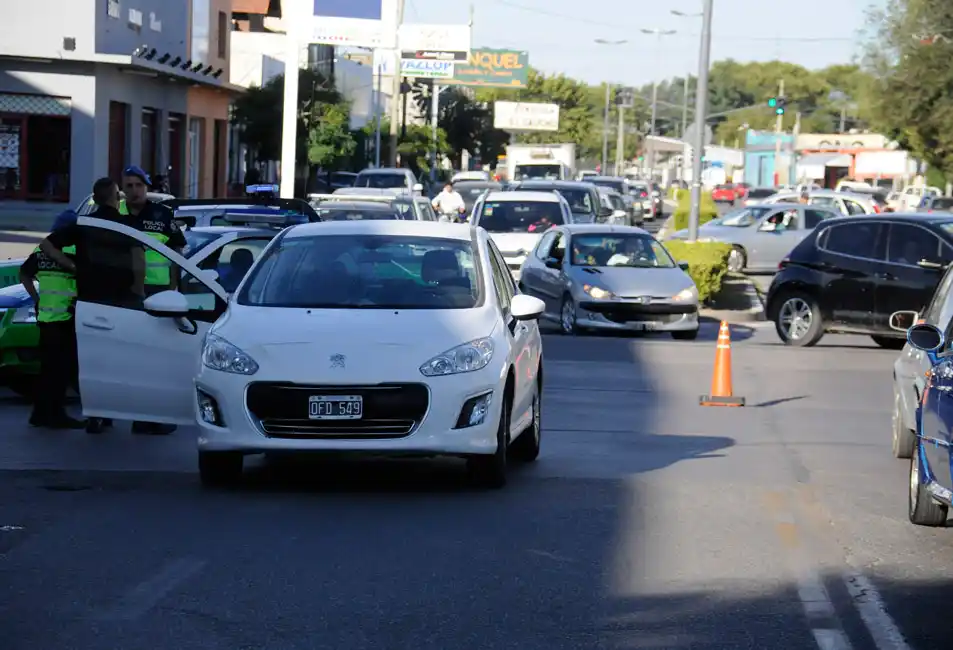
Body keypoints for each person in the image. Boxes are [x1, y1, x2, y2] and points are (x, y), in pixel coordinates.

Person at [119, 166, 186, 435]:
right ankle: (112, 415)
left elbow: (176, 252)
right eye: (129, 186)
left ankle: (147, 416)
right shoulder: (115, 215)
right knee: (127, 357)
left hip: (158, 295)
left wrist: (173, 288)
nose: (134, 191)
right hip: (123, 293)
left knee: (153, 356)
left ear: (146, 187)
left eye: (138, 185)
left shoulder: (161, 214)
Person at [20, 210, 84, 429]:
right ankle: (56, 414)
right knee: (60, 371)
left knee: (46, 369)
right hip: (64, 318)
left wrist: (36, 299)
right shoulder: (73, 252)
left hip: (46, 317)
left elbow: (24, 274)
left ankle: (39, 414)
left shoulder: (41, 252)